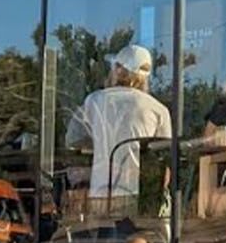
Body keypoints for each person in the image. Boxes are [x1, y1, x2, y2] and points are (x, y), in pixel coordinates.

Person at [65, 44, 173, 212]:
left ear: (117, 69)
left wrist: (100, 144)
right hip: (139, 194)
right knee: (138, 236)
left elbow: (73, 140)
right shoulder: (158, 110)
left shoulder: (94, 101)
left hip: (100, 191)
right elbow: (164, 163)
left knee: (101, 236)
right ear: (145, 78)